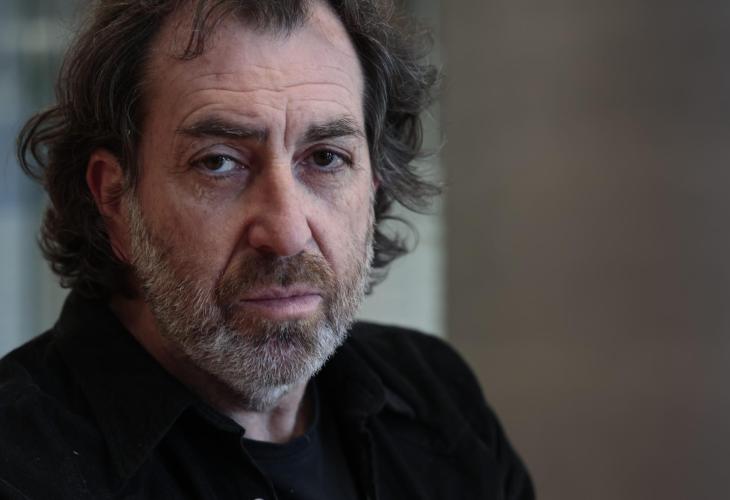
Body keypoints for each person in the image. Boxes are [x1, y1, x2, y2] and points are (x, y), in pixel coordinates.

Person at [0, 1, 534, 499]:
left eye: (325, 158)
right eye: (218, 162)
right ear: (115, 199)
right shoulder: (19, 462)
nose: (286, 234)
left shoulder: (436, 397)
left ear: (374, 184)